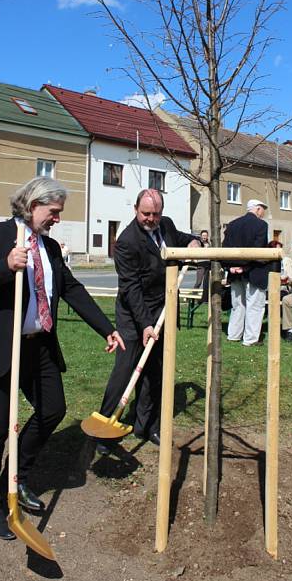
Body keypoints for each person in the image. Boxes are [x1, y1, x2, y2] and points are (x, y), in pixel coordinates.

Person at [0, 177, 125, 541]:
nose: (56, 219)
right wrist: (5, 266)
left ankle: (14, 479)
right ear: (33, 205)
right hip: (0, 347)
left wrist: (106, 328)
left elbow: (72, 290)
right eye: (54, 212)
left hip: (39, 346)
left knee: (52, 409)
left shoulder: (49, 248)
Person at [97, 189, 201, 453]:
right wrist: (145, 324)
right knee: (125, 371)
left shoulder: (165, 226)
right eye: (146, 214)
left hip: (162, 310)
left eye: (155, 214)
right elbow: (131, 289)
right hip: (133, 317)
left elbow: (181, 239)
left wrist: (194, 242)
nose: (151, 219)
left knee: (156, 372)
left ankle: (147, 425)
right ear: (135, 210)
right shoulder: (126, 242)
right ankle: (105, 431)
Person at [222, 199, 269, 346]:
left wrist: (230, 267)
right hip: (252, 271)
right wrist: (245, 267)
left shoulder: (232, 224)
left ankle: (234, 335)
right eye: (262, 210)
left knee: (238, 305)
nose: (263, 213)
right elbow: (258, 249)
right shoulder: (261, 225)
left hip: (234, 272)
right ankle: (250, 339)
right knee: (254, 305)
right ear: (258, 209)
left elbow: (225, 248)